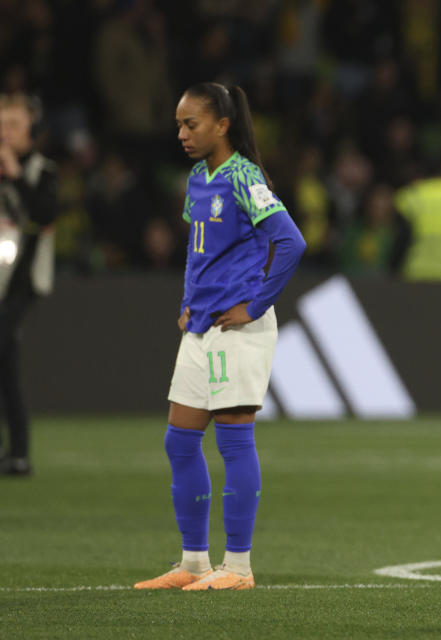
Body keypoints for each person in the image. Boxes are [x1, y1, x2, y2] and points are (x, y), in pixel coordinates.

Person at [134, 82, 306, 591]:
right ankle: (192, 563)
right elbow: (197, 247)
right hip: (203, 324)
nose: (182, 134)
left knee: (233, 442)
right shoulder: (196, 178)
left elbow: (290, 242)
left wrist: (255, 305)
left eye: (192, 124)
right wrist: (188, 301)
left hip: (239, 327)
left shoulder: (243, 176)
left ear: (222, 125)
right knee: (179, 440)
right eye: (179, 125)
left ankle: (238, 567)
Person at [0, 93, 58, 477]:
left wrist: (15, 175)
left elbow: (43, 214)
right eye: (1, 124)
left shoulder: (42, 171)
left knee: (6, 351)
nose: (6, 132)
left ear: (32, 132)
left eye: (14, 124)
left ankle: (19, 451)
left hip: (22, 282)